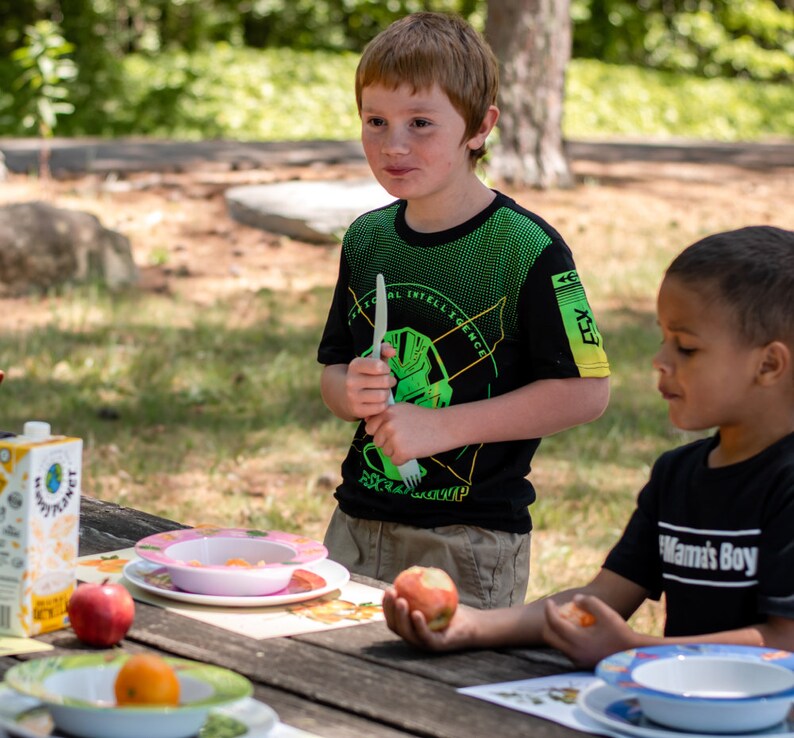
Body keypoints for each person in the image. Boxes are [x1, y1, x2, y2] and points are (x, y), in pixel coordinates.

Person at [383, 225, 794, 664]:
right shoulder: (678, 474)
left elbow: (784, 643)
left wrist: (638, 651)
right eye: (663, 339)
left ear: (768, 364)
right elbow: (604, 597)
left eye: (687, 348)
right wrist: (471, 626)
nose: (659, 361)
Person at [317, 12, 610, 609]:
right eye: (376, 121)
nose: (393, 144)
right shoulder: (365, 239)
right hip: (355, 523)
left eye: (420, 123)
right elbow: (332, 371)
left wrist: (440, 427)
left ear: (479, 127)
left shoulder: (530, 248)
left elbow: (587, 391)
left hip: (470, 539)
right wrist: (350, 390)